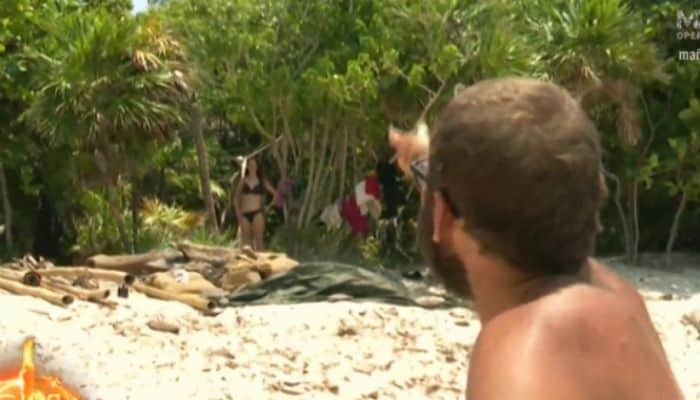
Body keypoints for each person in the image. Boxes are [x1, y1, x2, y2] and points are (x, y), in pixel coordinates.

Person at [389, 77, 683, 399]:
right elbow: (527, 191)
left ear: (441, 215)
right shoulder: (620, 302)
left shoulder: (517, 355)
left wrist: (441, 180)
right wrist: (430, 169)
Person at [233, 157, 278, 251]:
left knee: (259, 241)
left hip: (257, 213)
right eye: (250, 165)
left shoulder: (262, 181)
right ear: (247, 167)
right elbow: (235, 199)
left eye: (254, 165)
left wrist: (268, 207)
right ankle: (248, 264)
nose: (252, 167)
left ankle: (262, 263)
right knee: (246, 242)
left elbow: (276, 195)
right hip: (244, 214)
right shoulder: (243, 180)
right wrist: (238, 215)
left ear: (257, 167)